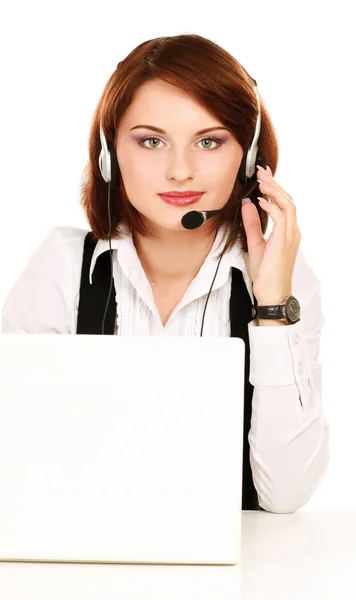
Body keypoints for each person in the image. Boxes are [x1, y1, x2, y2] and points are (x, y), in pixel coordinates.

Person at [1, 34, 330, 513]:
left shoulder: (282, 280)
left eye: (209, 141)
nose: (180, 171)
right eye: (152, 141)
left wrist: (273, 308)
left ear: (250, 157)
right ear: (110, 155)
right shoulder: (62, 268)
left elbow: (285, 496)